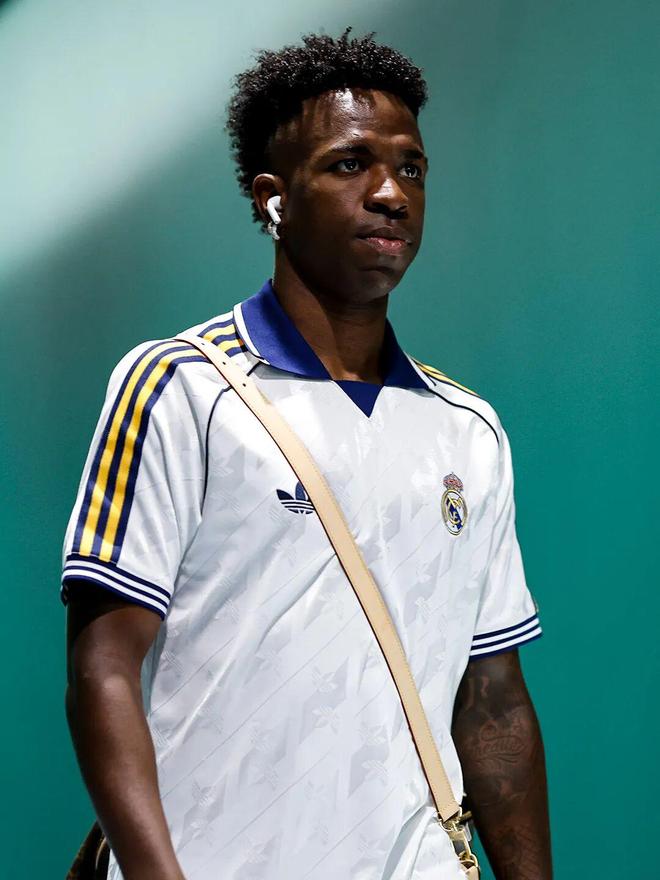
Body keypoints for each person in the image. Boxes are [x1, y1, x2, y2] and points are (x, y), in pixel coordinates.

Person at [62, 28, 552, 880]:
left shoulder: (466, 427)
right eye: (350, 164)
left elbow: (493, 702)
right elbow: (103, 670)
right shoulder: (181, 387)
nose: (391, 193)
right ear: (274, 200)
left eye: (411, 168)